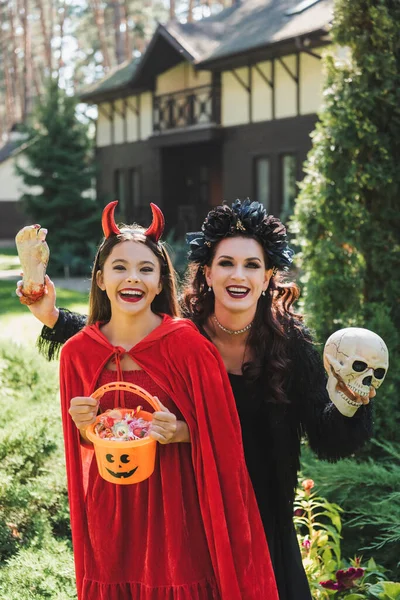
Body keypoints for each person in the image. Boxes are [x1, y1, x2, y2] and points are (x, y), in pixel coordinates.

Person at [18, 199, 374, 600]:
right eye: (226, 263)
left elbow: (326, 436)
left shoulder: (289, 345)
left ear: (268, 276)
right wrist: (51, 316)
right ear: (207, 271)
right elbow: (123, 338)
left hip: (261, 505)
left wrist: (351, 396)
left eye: (252, 265)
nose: (238, 275)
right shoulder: (183, 331)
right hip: (192, 502)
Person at [31, 201, 279, 600]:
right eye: (120, 268)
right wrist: (83, 427)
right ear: (100, 279)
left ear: (162, 283)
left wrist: (182, 431)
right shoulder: (79, 352)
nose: (133, 278)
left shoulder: (188, 347)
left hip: (176, 510)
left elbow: (224, 436)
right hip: (111, 510)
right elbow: (84, 449)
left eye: (146, 269)